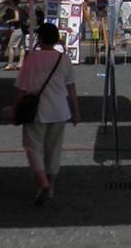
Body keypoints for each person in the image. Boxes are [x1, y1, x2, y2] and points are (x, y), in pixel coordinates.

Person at [12, 22, 80, 207]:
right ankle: (51, 187)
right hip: (59, 110)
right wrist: (76, 112)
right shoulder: (63, 59)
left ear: (39, 38)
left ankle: (42, 182)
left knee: (33, 147)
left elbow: (21, 88)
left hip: (37, 111)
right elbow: (71, 88)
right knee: (54, 150)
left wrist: (15, 107)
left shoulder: (32, 58)